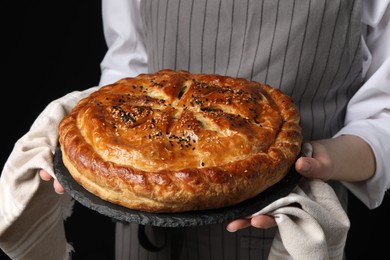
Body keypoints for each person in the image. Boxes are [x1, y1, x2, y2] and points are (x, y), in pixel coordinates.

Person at [1, 0, 389, 259]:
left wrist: (320, 162)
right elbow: (127, 66)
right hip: (141, 236)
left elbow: (383, 116)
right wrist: (91, 152)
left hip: (281, 233)